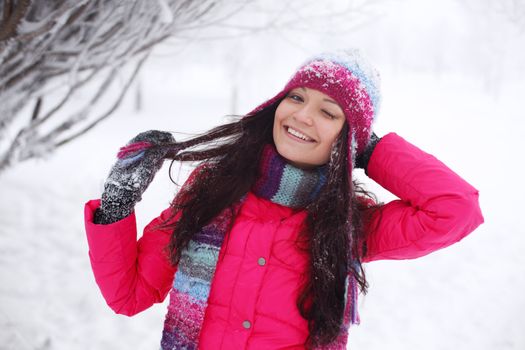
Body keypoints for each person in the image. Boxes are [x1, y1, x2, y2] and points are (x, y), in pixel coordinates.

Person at [84, 49, 484, 350]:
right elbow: (129, 294)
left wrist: (373, 151)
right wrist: (116, 206)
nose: (303, 116)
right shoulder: (212, 189)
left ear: (349, 140)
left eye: (329, 113)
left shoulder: (348, 224)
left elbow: (455, 209)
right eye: (296, 97)